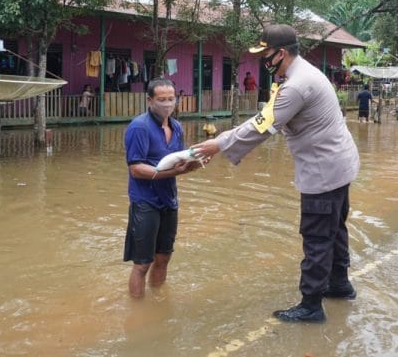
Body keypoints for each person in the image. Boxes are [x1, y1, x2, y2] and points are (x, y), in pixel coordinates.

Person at [191, 24, 360, 323]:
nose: (262, 60)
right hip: (339, 164)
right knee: (335, 228)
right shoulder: (301, 73)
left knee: (317, 235)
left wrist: (217, 144)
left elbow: (261, 125)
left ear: (281, 53)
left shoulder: (296, 85)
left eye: (265, 54)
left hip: (323, 170)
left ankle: (311, 305)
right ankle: (339, 283)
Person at [123, 78, 204, 298]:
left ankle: (158, 302)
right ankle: (138, 313)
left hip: (169, 200)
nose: (167, 104)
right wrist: (174, 173)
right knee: (142, 263)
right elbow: (136, 169)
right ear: (149, 100)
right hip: (145, 201)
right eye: (162, 100)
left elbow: (177, 160)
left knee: (163, 257)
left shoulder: (176, 127)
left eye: (171, 99)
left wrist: (193, 163)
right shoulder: (139, 127)